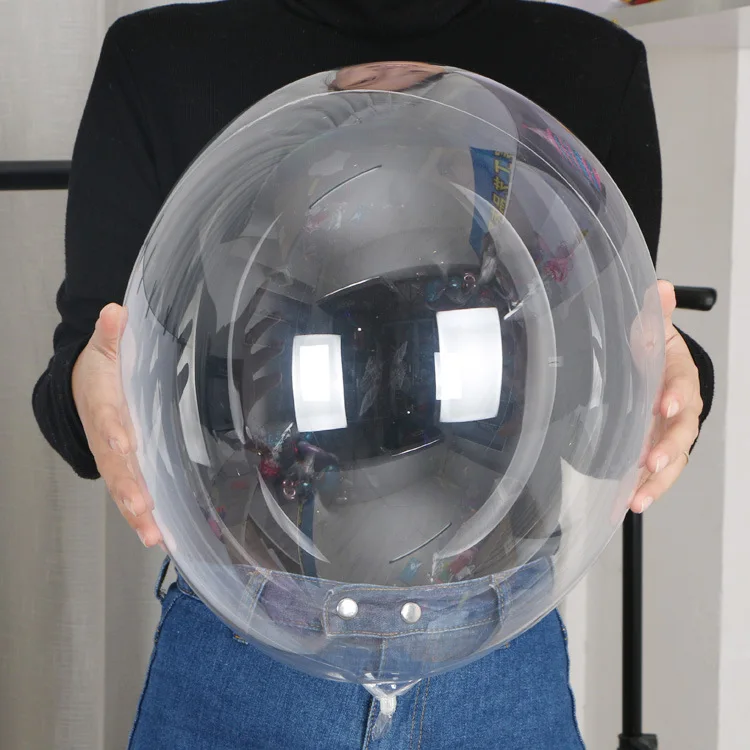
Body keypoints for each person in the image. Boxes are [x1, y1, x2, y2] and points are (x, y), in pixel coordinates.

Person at [32, 1, 714, 748]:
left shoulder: (590, 64)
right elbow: (87, 374)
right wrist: (94, 395)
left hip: (498, 656)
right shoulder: (161, 61)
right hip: (243, 645)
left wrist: (671, 385)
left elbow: (603, 370)